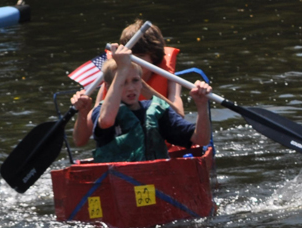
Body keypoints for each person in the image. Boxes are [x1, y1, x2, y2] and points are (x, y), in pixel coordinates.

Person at [70, 46, 211, 164]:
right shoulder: (101, 111)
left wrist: (202, 106)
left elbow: (201, 139)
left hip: (156, 181)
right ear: (110, 86)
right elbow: (106, 121)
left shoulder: (157, 109)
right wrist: (122, 69)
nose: (131, 88)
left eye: (135, 80)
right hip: (115, 184)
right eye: (123, 82)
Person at [73, 21, 184, 148]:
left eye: (140, 57)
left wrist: (141, 86)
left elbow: (179, 117)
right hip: (121, 152)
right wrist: (83, 112)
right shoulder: (111, 83)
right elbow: (80, 141)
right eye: (130, 57)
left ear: (154, 57)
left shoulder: (170, 79)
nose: (133, 63)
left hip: (160, 149)